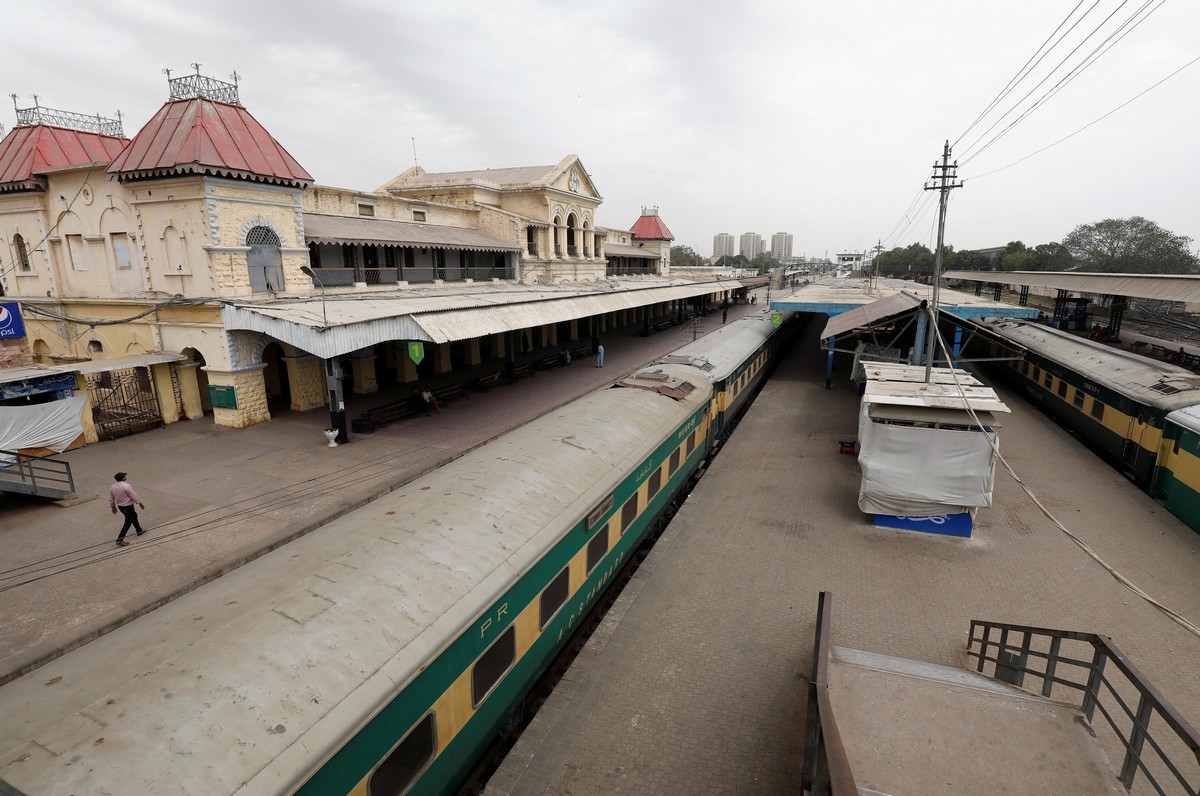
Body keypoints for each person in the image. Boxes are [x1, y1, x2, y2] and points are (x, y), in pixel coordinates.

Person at [109, 472, 146, 547]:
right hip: (128, 506)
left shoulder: (112, 487)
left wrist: (113, 507)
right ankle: (120, 539)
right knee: (128, 521)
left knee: (134, 516)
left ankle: (139, 530)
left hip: (121, 507)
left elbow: (111, 498)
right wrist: (140, 503)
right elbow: (133, 495)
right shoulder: (126, 486)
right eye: (124, 476)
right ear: (123, 478)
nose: (126, 477)